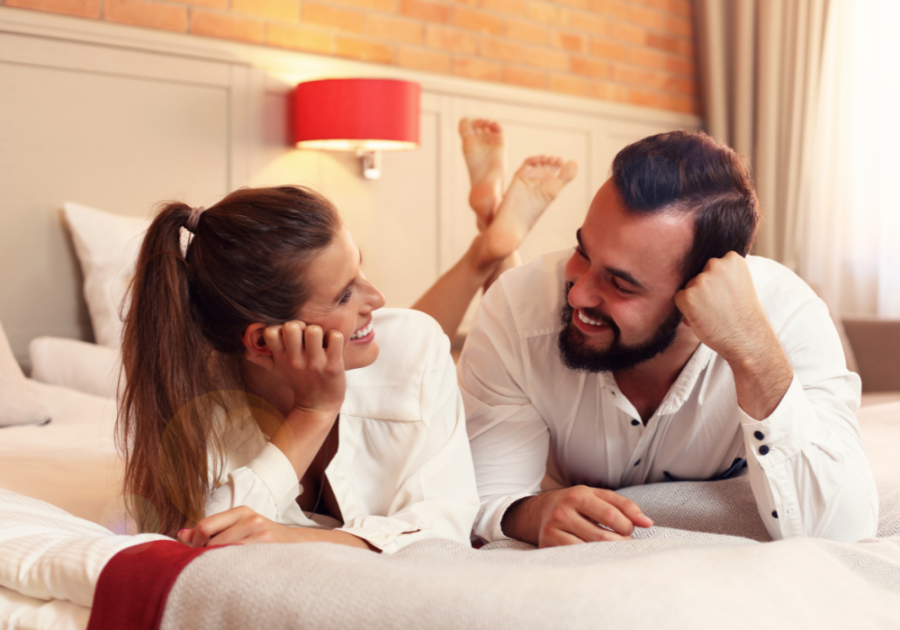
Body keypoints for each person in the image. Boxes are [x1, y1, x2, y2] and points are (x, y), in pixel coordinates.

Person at [117, 120, 577, 553]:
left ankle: (491, 249)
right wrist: (313, 412)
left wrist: (298, 539)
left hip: (486, 442)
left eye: (361, 266)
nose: (377, 295)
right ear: (261, 343)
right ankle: (490, 246)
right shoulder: (195, 399)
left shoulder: (414, 345)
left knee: (412, 337)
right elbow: (199, 537)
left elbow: (448, 524)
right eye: (343, 295)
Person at [458, 130, 879, 548]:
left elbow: (841, 530)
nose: (578, 293)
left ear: (699, 297)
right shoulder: (517, 308)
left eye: (621, 284)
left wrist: (752, 354)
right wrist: (530, 513)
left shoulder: (788, 317)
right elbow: (483, 496)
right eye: (583, 252)